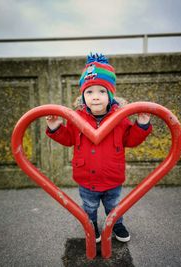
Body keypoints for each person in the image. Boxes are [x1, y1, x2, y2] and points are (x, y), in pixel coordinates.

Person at [46, 53, 152, 243]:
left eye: (102, 92)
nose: (95, 97)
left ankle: (116, 223)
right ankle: (91, 225)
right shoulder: (76, 118)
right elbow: (68, 138)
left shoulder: (119, 117)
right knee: (89, 206)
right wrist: (55, 127)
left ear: (110, 95)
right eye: (90, 92)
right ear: (83, 96)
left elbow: (131, 139)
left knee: (114, 206)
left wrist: (142, 125)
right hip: (86, 177)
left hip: (113, 177)